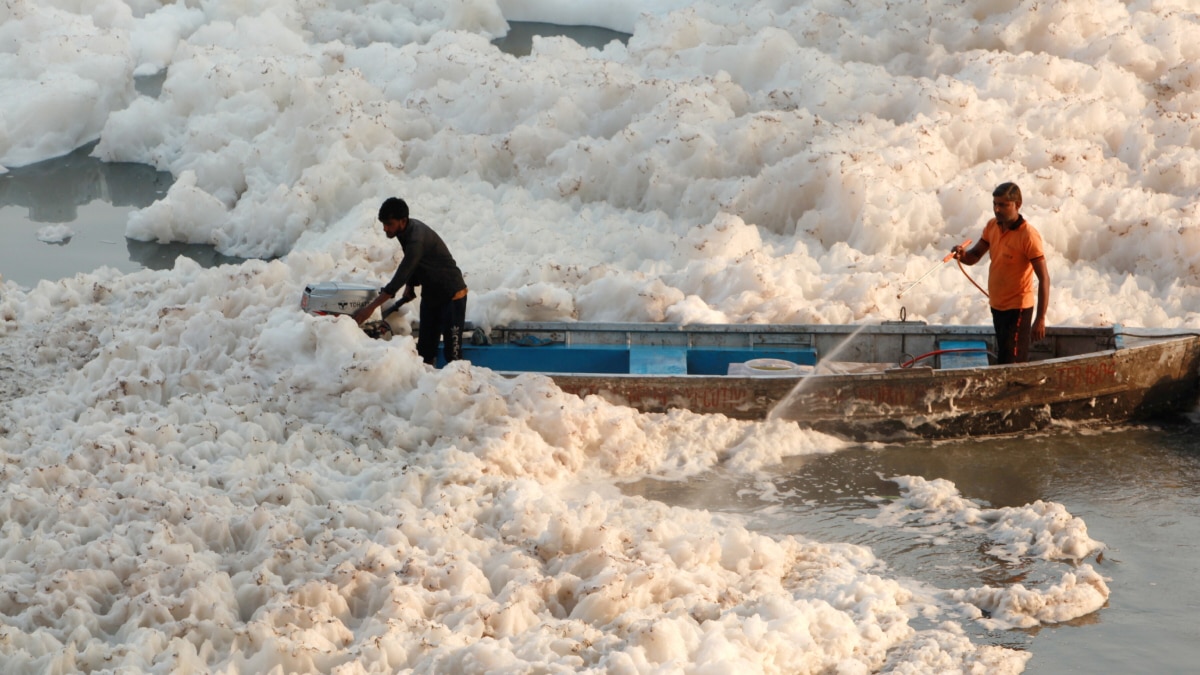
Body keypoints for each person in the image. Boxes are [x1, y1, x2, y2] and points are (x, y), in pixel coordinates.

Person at [353, 197, 468, 366]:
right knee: (425, 352)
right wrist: (411, 284)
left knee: (453, 355)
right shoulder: (402, 231)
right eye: (383, 224)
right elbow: (415, 262)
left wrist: (370, 308)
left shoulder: (416, 238)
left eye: (389, 224)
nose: (385, 228)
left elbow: (402, 273)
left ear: (403, 221)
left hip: (452, 295)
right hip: (431, 295)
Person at [952, 182, 1050, 364]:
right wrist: (961, 255)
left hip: (1018, 308)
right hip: (997, 306)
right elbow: (974, 256)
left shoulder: (1028, 235)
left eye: (1003, 205)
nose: (997, 209)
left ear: (1017, 205)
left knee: (1011, 363)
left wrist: (1040, 318)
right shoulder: (992, 226)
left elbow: (1044, 278)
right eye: (995, 204)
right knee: (1006, 358)